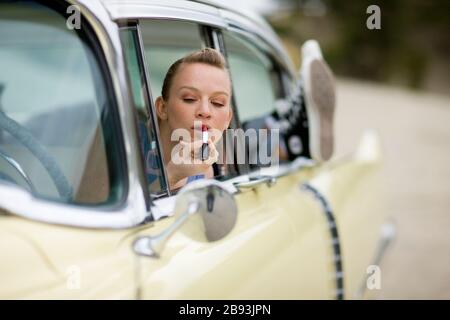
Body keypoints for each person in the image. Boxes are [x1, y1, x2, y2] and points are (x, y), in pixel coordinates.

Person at [152, 48, 233, 190]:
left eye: (217, 103)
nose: (205, 111)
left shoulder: (205, 168)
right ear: (162, 108)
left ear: (228, 119)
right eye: (190, 99)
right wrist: (171, 176)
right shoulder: (124, 143)